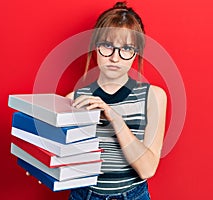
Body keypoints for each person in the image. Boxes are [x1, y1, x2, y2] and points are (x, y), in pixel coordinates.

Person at [66, 2, 167, 199]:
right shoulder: (73, 100)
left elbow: (147, 169)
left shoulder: (154, 97)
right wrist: (41, 165)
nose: (115, 57)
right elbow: (67, 163)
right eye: (107, 45)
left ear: (135, 53)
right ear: (96, 46)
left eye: (126, 48)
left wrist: (116, 119)